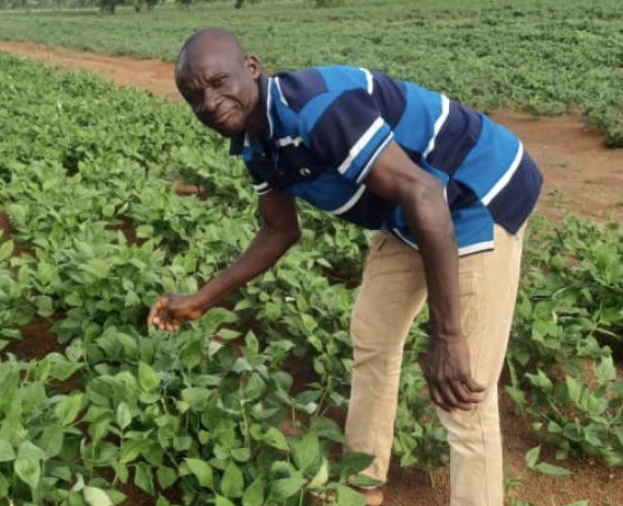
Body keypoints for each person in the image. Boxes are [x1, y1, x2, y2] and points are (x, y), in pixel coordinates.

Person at [147, 28, 542, 506]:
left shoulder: (318, 108)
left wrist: (447, 337)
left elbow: (425, 194)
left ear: (251, 67)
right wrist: (201, 301)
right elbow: (279, 230)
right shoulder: (256, 144)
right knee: (372, 340)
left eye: (217, 82)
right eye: (195, 96)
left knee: (463, 389)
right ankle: (362, 487)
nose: (209, 102)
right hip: (411, 213)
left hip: (475, 194)